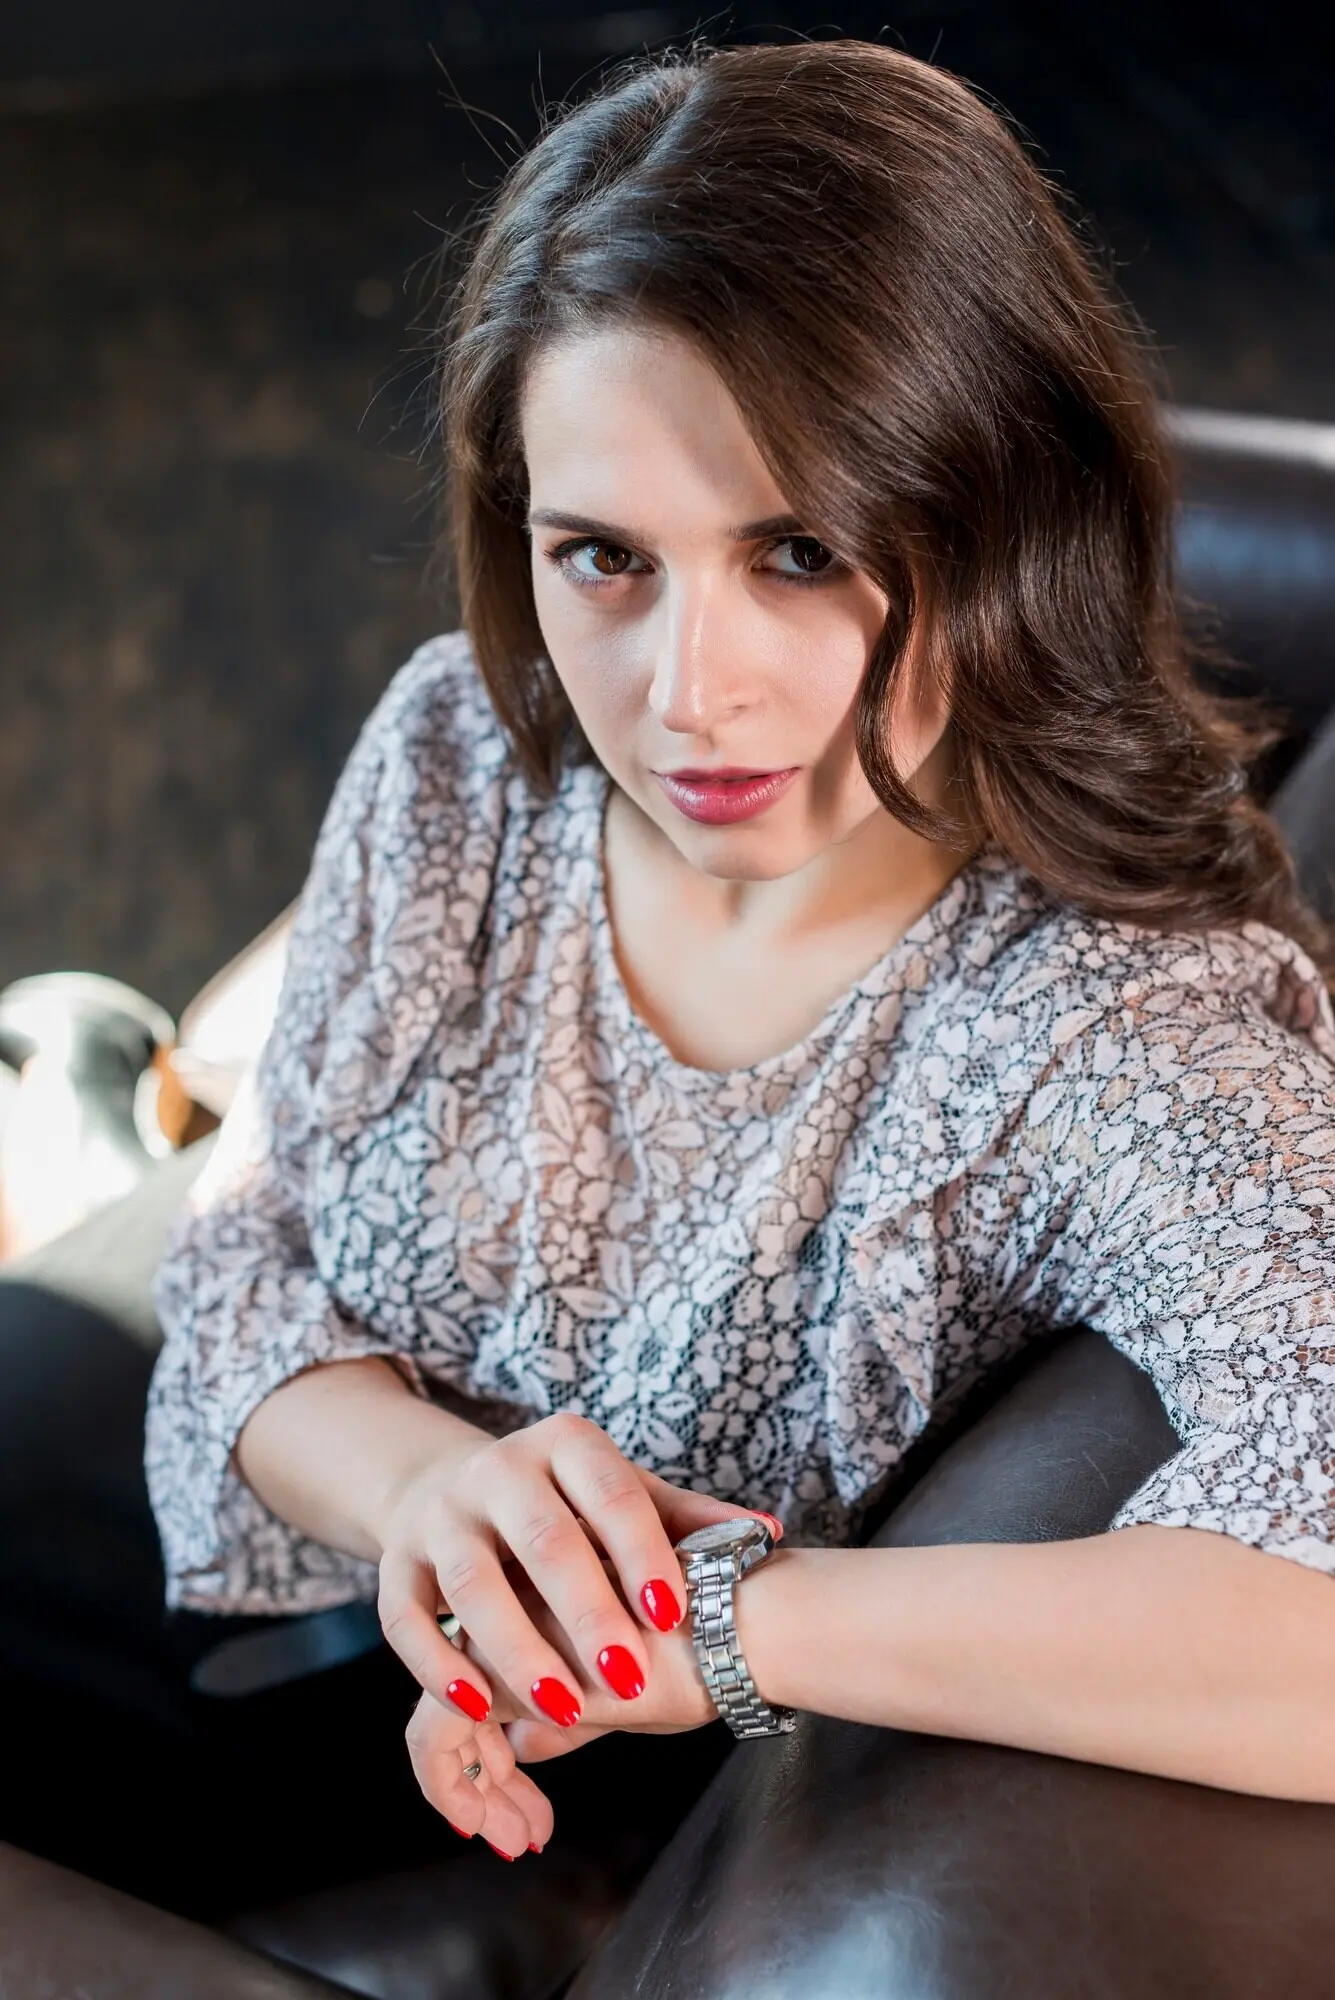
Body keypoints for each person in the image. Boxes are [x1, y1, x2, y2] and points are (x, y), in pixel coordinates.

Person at [11, 32, 1335, 1921]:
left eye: (797, 550)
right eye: (603, 556)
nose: (684, 696)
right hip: (242, 1549)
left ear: (1000, 515)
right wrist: (416, 1491)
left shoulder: (1118, 1034)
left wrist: (719, 1625)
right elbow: (243, 1261)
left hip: (453, 1775)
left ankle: (89, 1088)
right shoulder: (469, 743)